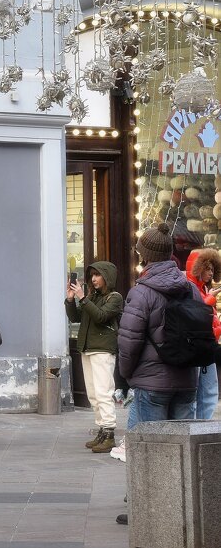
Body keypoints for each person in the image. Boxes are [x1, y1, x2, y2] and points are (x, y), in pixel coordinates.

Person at [115, 224, 200, 526]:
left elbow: (129, 342)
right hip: (186, 381)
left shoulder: (142, 292)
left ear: (145, 255)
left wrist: (126, 376)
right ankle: (180, 508)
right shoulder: (189, 286)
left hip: (151, 383)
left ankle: (145, 508)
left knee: (145, 450)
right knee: (180, 450)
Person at [64, 262, 123, 452]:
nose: (93, 279)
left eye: (98, 275)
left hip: (103, 350)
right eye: (92, 276)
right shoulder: (92, 297)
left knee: (104, 392)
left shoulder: (115, 298)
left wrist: (83, 298)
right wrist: (71, 300)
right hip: (87, 349)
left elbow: (100, 316)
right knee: (93, 394)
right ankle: (102, 430)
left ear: (107, 277)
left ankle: (109, 433)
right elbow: (75, 318)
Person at [185, 248, 220, 420]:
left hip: (206, 345)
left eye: (213, 269)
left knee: (208, 390)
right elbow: (194, 315)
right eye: (207, 268)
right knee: (201, 391)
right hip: (198, 347)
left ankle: (203, 425)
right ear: (198, 268)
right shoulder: (190, 288)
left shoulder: (201, 289)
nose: (210, 273)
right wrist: (209, 301)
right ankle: (199, 425)